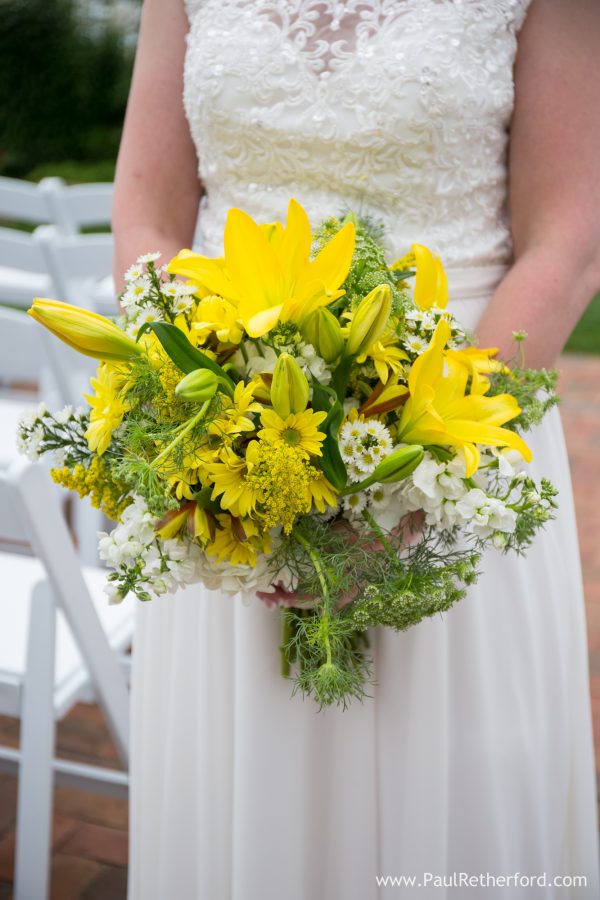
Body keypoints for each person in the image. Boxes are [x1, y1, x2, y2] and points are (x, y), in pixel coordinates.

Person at [113, 1, 600, 897]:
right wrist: (210, 425)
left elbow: (565, 245)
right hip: (228, 457)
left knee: (444, 789)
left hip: (458, 439)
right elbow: (146, 218)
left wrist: (414, 482)